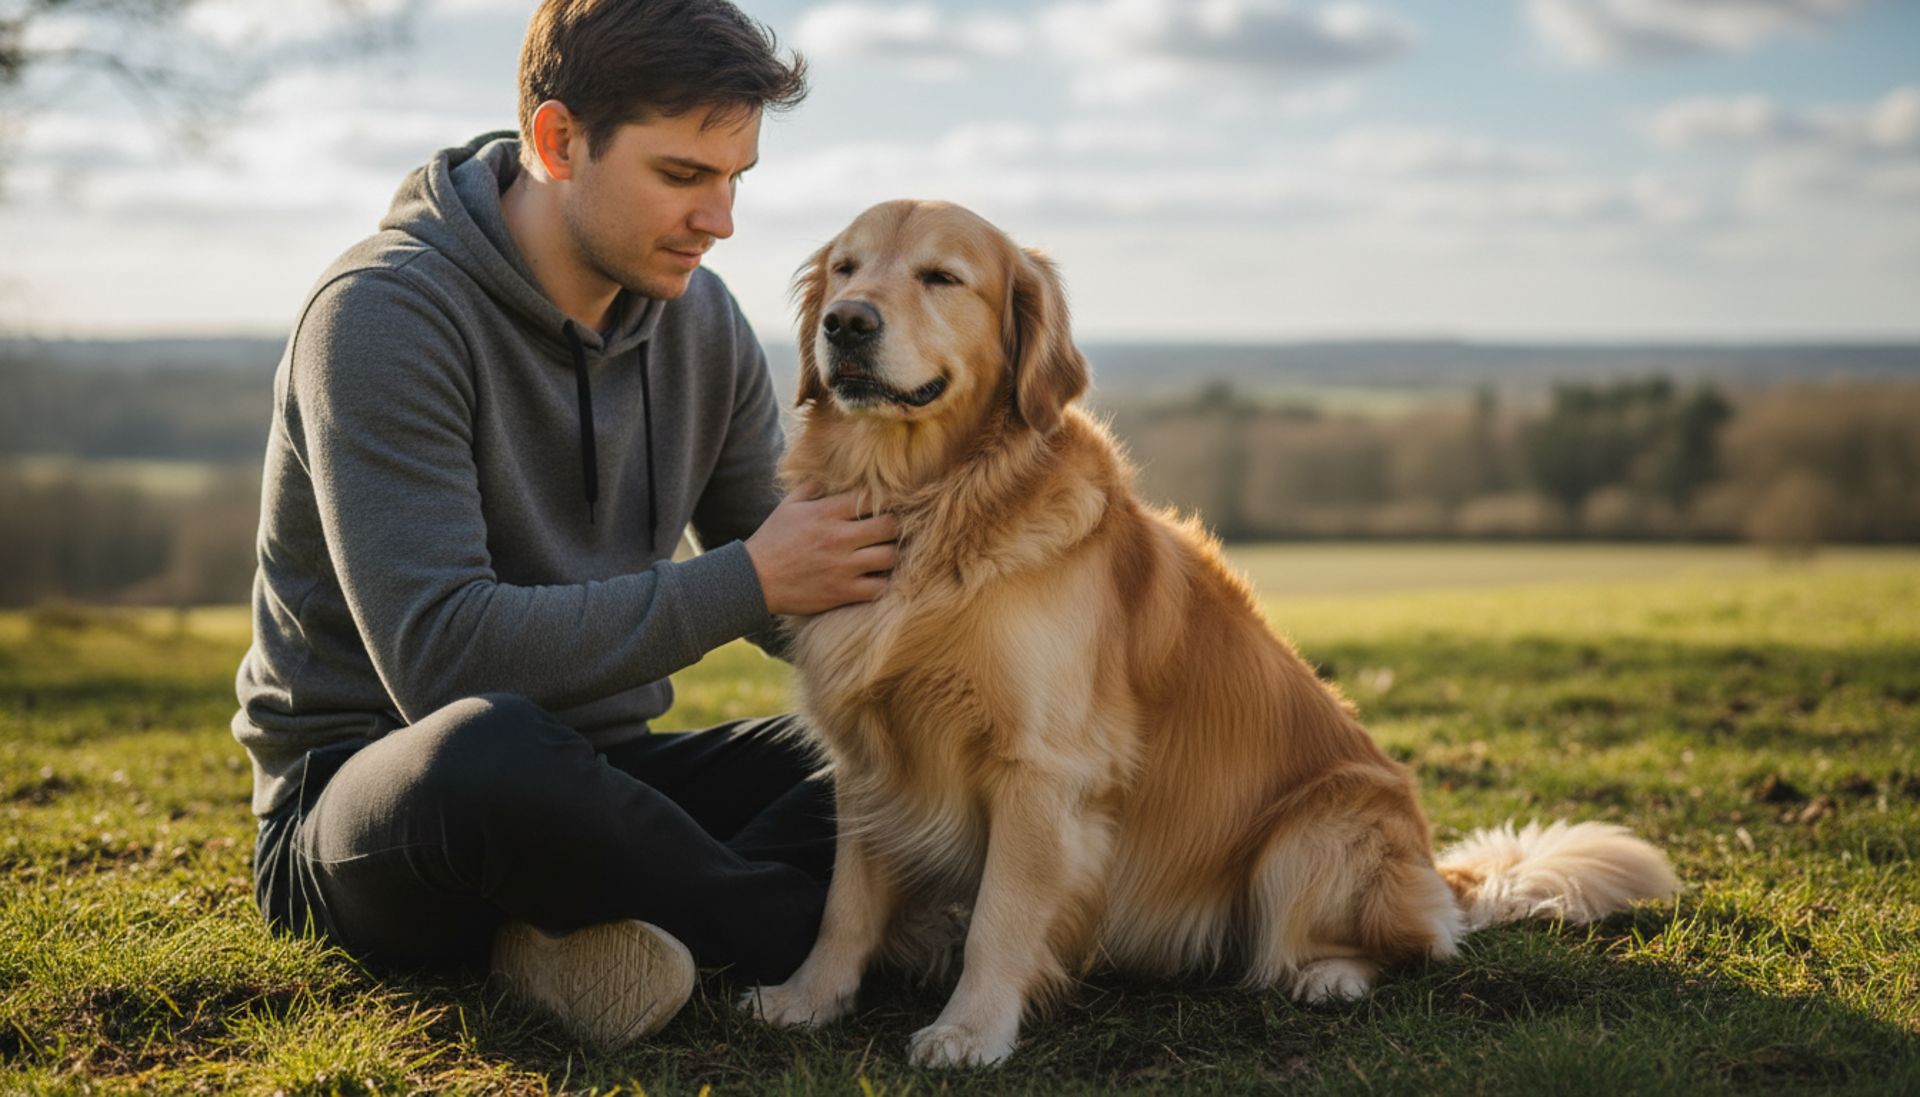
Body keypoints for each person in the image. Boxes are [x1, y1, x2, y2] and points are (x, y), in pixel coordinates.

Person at [233, 0, 897, 1051]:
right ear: (557, 141)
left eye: (735, 179)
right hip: (383, 800)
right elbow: (444, 659)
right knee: (488, 749)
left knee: (875, 758)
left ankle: (588, 933)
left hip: (610, 777)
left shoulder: (704, 322)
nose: (719, 218)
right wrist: (749, 580)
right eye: (682, 176)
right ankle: (798, 926)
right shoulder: (381, 317)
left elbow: (806, 578)